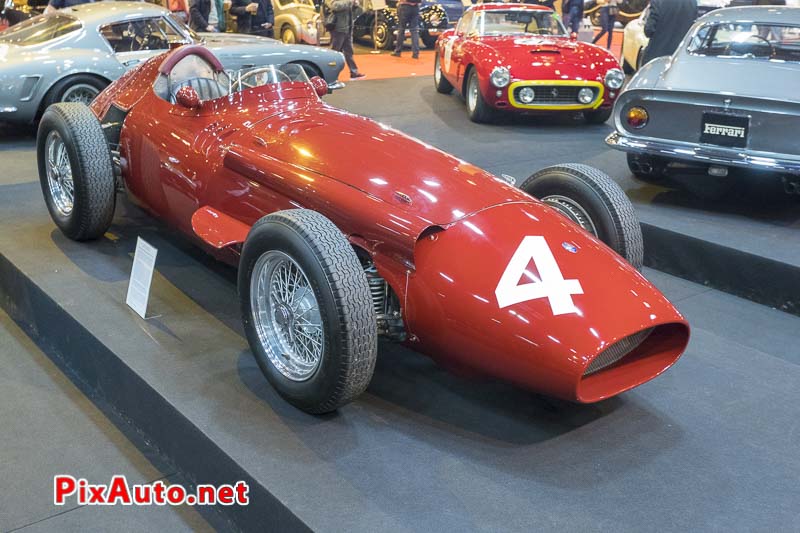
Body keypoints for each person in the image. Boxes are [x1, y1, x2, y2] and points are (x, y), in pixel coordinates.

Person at [642, 0, 697, 65]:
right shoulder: (692, 2)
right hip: (680, 57)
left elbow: (648, 30)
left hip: (657, 56)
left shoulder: (658, 2)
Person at [325, 0, 365, 79]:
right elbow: (334, 6)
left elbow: (359, 11)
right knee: (334, 52)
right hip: (338, 29)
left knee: (349, 51)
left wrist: (355, 5)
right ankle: (329, 73)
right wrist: (349, 2)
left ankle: (354, 72)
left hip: (347, 29)